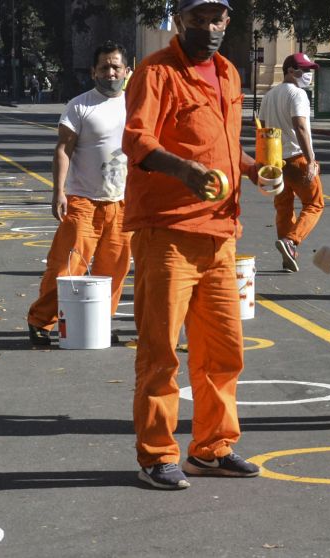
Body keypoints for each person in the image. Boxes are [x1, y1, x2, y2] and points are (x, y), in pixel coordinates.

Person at [122, 0, 262, 490]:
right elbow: (137, 140)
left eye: (216, 18)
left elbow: (221, 145)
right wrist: (183, 170)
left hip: (221, 234)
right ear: (179, 21)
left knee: (223, 352)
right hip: (168, 234)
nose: (208, 27)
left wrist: (252, 168)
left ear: (229, 21)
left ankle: (213, 447)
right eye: (197, 19)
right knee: (162, 352)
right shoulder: (155, 71)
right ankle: (157, 454)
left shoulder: (228, 73)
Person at [27, 41, 133, 346]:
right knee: (66, 265)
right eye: (104, 67)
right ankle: (40, 321)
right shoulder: (80, 105)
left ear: (126, 71)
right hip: (83, 200)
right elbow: (63, 149)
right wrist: (58, 191)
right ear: (93, 72)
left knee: (114, 268)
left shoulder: (137, 104)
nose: (110, 72)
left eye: (115, 67)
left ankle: (100, 319)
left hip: (123, 201)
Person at [258, 52, 324, 273]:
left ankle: (288, 256)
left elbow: (263, 129)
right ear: (289, 71)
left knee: (284, 207)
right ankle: (291, 242)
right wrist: (312, 160)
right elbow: (301, 127)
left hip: (275, 160)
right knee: (314, 204)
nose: (307, 75)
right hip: (297, 157)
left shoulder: (268, 96)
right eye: (303, 70)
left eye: (309, 71)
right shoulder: (297, 94)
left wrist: (264, 162)